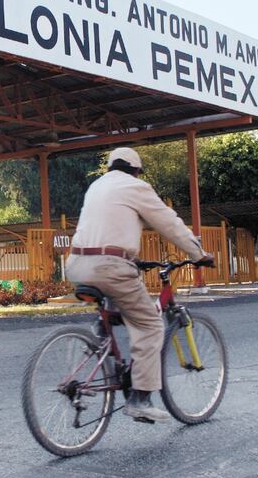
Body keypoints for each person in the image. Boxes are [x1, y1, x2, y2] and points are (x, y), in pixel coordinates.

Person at [65, 146, 214, 423]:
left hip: (77, 265)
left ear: (110, 167)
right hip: (110, 267)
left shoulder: (96, 187)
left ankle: (102, 338)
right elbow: (169, 223)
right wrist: (198, 254)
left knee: (115, 305)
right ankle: (140, 399)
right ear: (135, 170)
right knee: (150, 325)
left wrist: (131, 258)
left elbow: (110, 227)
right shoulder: (136, 186)